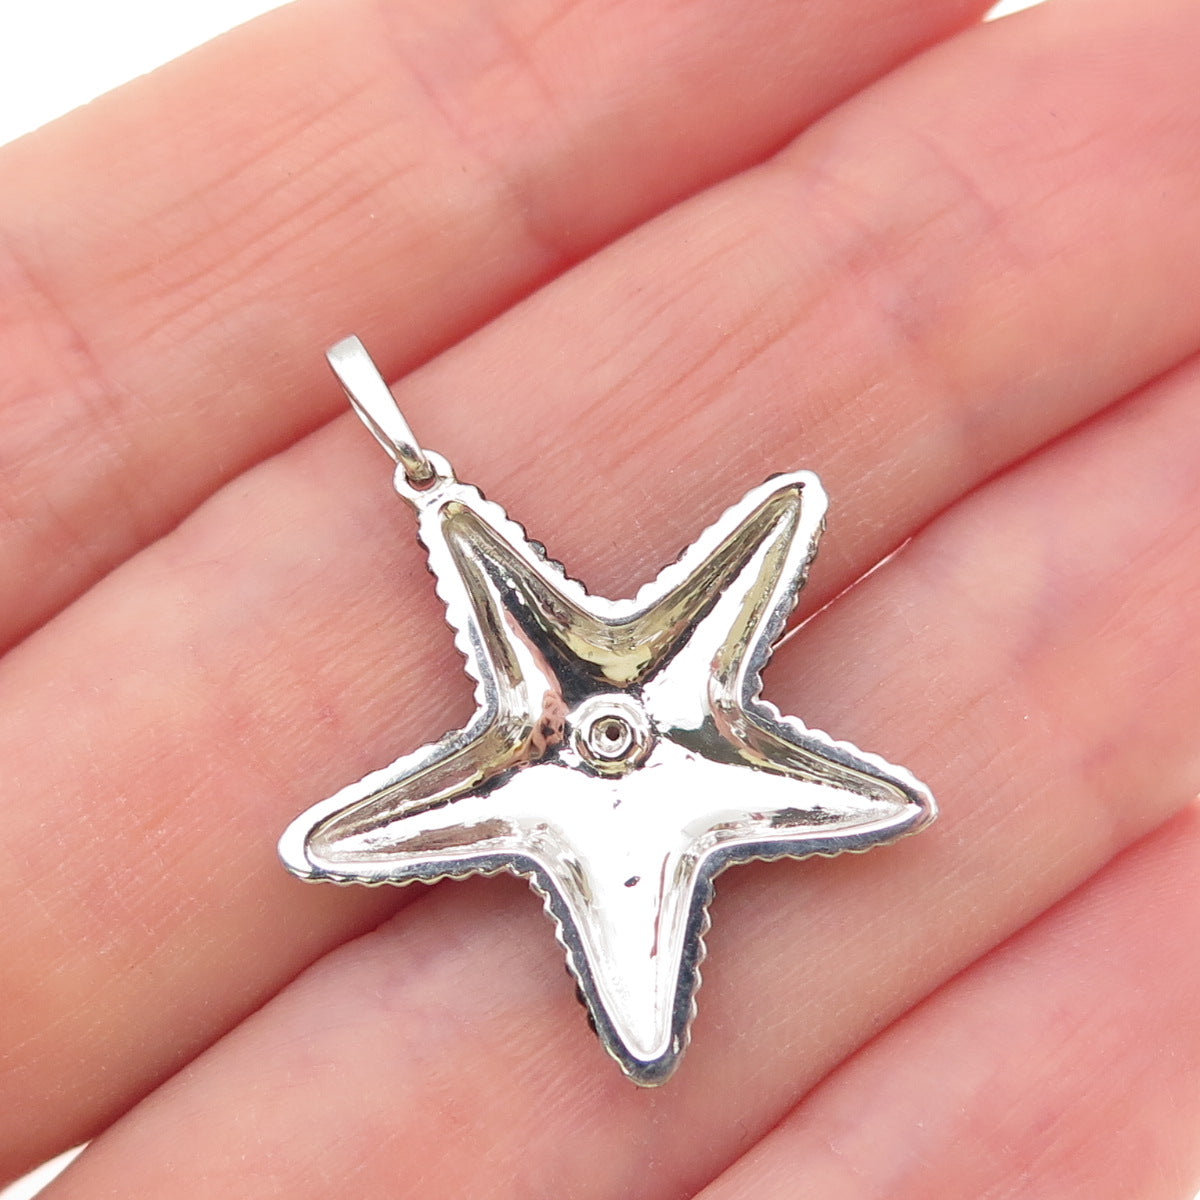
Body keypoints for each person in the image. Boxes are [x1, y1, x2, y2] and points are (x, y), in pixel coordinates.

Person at [1, 0, 1199, 1195]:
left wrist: (448, 504)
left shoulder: (691, 674)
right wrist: (445, 507)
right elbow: (351, 827)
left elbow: (783, 548)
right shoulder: (523, 718)